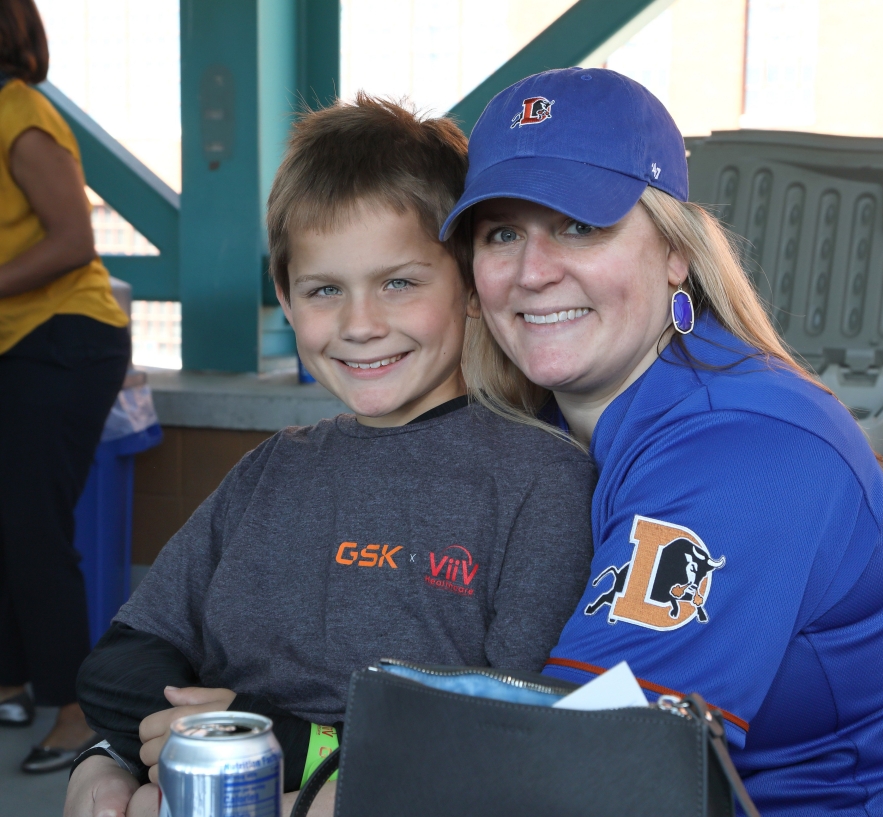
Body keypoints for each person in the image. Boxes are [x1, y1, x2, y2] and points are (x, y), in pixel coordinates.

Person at [65, 95, 596, 817]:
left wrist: (286, 742)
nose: (360, 324)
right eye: (324, 290)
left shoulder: (539, 482)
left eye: (399, 283)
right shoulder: (269, 471)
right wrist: (107, 758)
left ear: (471, 286)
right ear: (287, 300)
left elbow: (511, 736)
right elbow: (122, 661)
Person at [441, 68, 883, 816]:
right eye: (501, 234)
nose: (533, 272)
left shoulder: (752, 446)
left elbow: (579, 775)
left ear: (675, 251)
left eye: (581, 226)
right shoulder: (536, 426)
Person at [0, 0, 130, 774]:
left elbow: (74, 240)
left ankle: (79, 710)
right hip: (18, 340)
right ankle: (11, 681)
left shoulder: (20, 114)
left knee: (30, 524)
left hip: (66, 338)